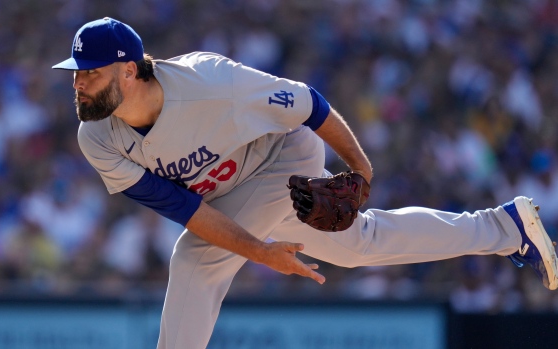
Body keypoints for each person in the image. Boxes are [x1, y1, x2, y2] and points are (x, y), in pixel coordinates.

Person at [52, 17, 558, 349]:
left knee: (194, 260)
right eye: (74, 73)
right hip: (228, 195)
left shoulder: (212, 83)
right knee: (361, 244)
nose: (76, 83)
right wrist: (259, 250)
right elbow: (184, 209)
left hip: (282, 158)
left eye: (87, 73)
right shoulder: (97, 137)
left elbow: (309, 103)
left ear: (126, 71)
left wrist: (360, 168)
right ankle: (506, 227)